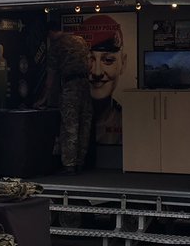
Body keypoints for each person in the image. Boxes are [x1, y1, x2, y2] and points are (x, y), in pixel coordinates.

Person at [35, 18, 92, 173]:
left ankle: (69, 165)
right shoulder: (80, 40)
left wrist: (43, 99)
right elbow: (89, 64)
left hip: (70, 87)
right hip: (86, 86)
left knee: (70, 125)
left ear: (50, 33)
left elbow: (50, 78)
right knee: (84, 123)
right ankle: (81, 161)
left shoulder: (56, 46)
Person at [80, 14, 126, 146]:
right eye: (89, 60)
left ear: (123, 63)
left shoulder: (127, 120)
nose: (97, 72)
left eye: (108, 60)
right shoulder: (75, 115)